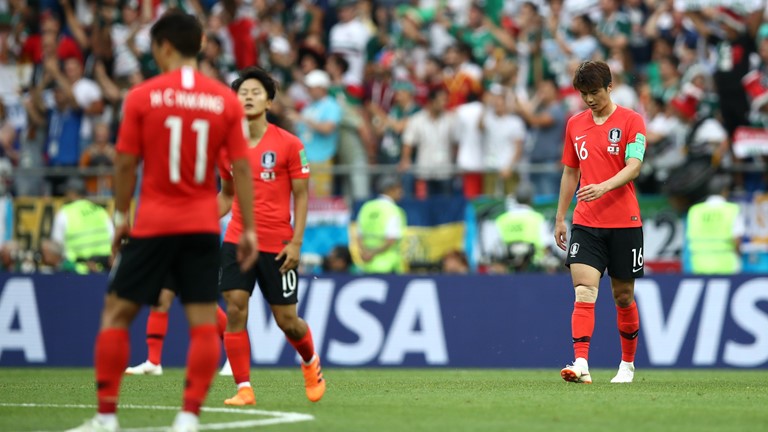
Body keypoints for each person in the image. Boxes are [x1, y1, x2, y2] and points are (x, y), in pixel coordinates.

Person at [67, 11, 257, 432]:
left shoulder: (142, 96)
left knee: (116, 315)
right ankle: (188, 417)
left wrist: (121, 218)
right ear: (200, 45)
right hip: (202, 225)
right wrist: (248, 229)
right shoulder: (224, 101)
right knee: (203, 323)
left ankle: (106, 417)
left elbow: (124, 164)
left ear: (164, 46)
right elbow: (241, 169)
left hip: (153, 223)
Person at [218, 66, 325, 406]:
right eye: (243, 93)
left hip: (278, 244)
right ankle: (244, 388)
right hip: (237, 239)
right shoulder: (226, 147)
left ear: (268, 102)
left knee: (287, 322)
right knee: (236, 308)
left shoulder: (289, 144)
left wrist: (296, 243)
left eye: (256, 92)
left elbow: (302, 196)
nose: (248, 97)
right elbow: (226, 195)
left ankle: (310, 362)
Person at [554, 61, 646, 385]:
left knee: (623, 296)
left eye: (594, 92)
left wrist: (603, 186)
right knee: (584, 291)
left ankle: (627, 365)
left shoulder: (632, 121)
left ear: (610, 87)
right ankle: (581, 363)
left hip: (624, 222)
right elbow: (570, 172)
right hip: (586, 221)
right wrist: (560, 216)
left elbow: (634, 166)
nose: (589, 99)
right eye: (584, 94)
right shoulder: (574, 124)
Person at [50, 177, 113, 274]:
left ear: (72, 193)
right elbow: (113, 238)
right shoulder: (101, 211)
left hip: (76, 272)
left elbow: (56, 246)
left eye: (66, 193)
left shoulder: (64, 213)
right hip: (103, 271)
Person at [685, 176, 745, 275]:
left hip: (699, 266)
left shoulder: (695, 211)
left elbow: (689, 239)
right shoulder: (731, 210)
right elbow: (737, 239)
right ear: (725, 191)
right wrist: (739, 257)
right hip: (726, 267)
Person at [356, 174, 407, 274]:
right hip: (389, 267)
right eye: (399, 188)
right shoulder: (394, 210)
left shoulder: (366, 207)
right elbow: (391, 240)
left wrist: (366, 253)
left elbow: (359, 236)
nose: (402, 192)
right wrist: (372, 253)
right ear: (391, 189)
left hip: (367, 266)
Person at [494, 183, 550, 273]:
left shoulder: (501, 219)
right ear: (531, 199)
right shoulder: (538, 218)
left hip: (508, 270)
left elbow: (495, 249)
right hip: (534, 269)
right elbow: (546, 245)